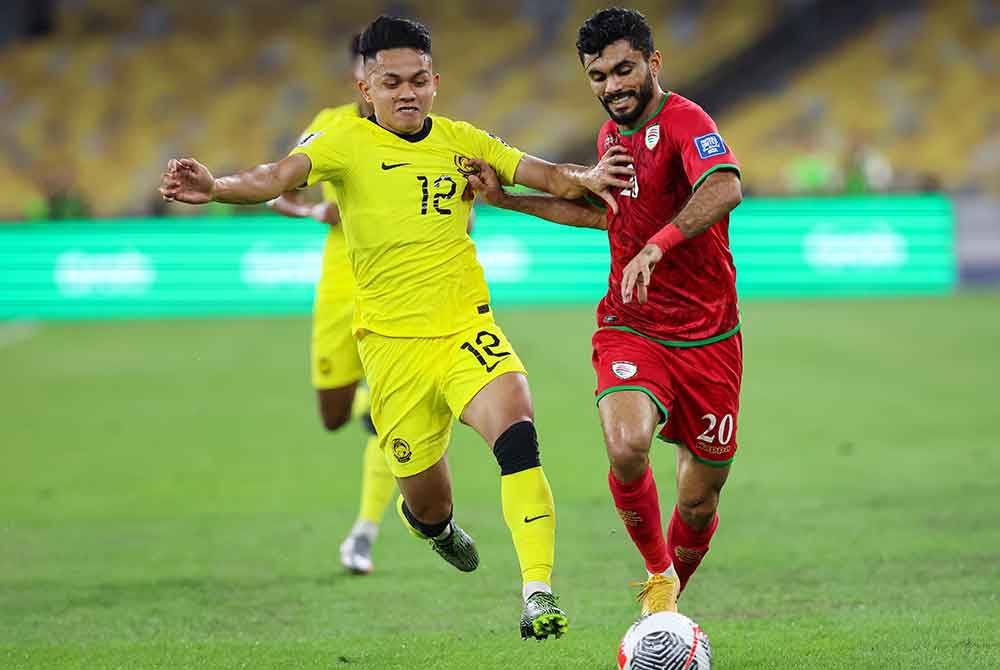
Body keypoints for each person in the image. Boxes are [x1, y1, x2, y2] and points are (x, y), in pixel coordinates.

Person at [159, 14, 631, 639]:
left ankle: (537, 591)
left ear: (434, 81)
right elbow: (273, 178)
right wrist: (216, 185)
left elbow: (540, 172)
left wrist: (586, 177)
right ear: (367, 89)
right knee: (428, 503)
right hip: (392, 350)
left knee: (518, 432)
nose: (406, 93)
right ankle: (432, 528)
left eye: (417, 81)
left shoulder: (462, 140)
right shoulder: (341, 144)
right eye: (390, 83)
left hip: (467, 330)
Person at [467, 7, 744, 616]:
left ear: (653, 63)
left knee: (698, 502)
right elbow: (605, 216)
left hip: (709, 338)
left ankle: (665, 610)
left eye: (624, 70)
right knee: (625, 445)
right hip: (631, 323)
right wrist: (506, 200)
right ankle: (657, 578)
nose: (613, 86)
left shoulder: (685, 121)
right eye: (599, 76)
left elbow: (725, 188)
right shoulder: (609, 138)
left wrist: (657, 245)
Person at [265, 34, 394, 577]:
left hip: (395, 292)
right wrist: (318, 215)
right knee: (334, 414)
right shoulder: (332, 125)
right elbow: (280, 194)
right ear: (358, 78)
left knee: (391, 418)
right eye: (375, 73)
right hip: (341, 285)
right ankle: (365, 399)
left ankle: (363, 533)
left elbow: (464, 214)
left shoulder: (421, 136)